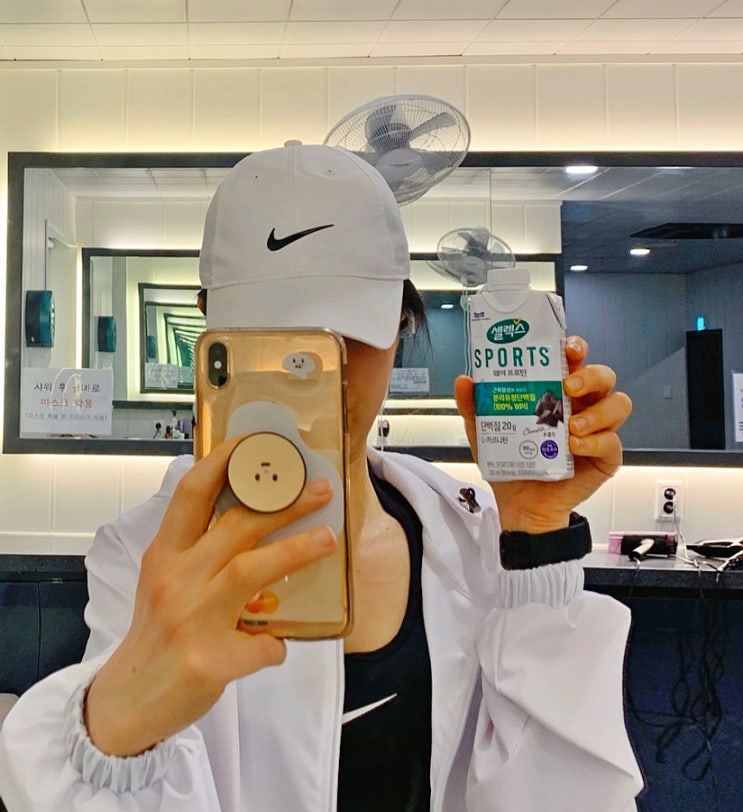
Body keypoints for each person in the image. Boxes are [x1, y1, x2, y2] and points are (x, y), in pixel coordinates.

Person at [0, 144, 643, 811]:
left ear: (400, 324)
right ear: (208, 328)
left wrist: (536, 537)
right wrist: (113, 729)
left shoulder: (474, 543)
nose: (309, 370)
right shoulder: (148, 556)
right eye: (271, 333)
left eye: (341, 335)